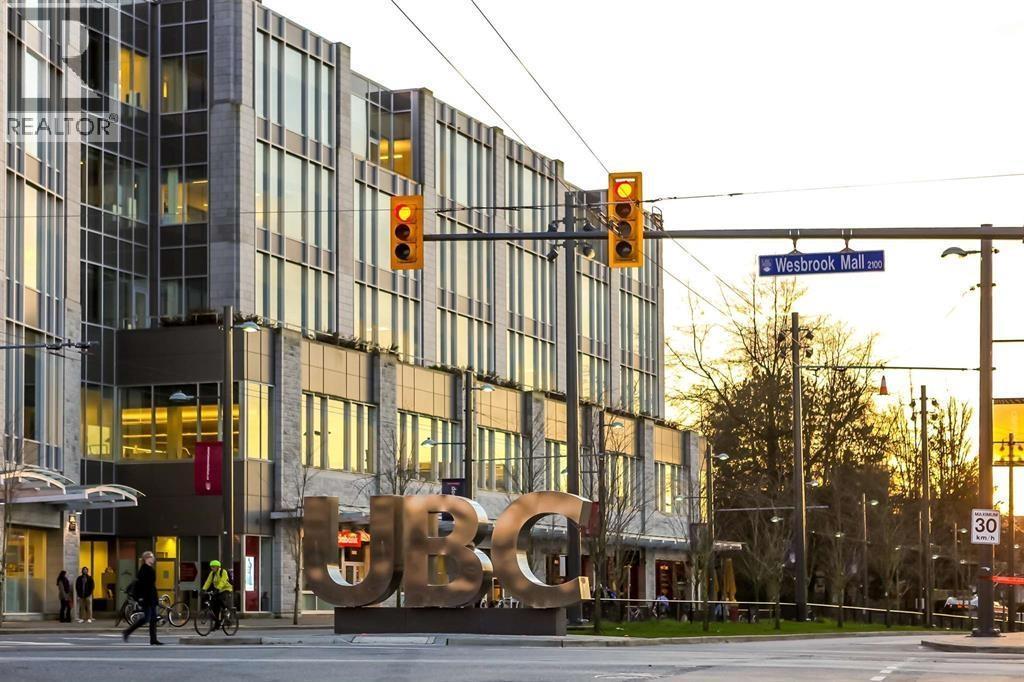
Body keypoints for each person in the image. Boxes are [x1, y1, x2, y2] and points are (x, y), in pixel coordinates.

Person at [122, 551, 163, 645]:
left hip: (151, 597)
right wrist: (141, 598)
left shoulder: (149, 569)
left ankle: (153, 639)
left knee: (152, 618)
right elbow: (143, 586)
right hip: (146, 598)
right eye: (151, 557)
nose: (153, 558)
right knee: (147, 618)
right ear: (146, 559)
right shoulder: (144, 570)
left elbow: (150, 585)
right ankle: (128, 632)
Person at [202, 560, 232, 626]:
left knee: (221, 598)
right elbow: (208, 581)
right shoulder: (212, 573)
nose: (212, 568)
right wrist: (203, 589)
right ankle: (217, 624)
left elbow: (223, 581)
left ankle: (226, 610)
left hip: (226, 589)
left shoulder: (223, 572)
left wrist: (217, 588)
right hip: (217, 590)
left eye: (214, 567)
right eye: (211, 567)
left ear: (218, 567)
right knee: (214, 605)